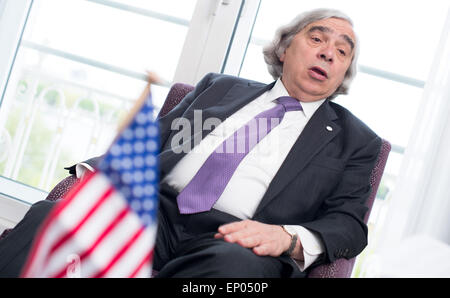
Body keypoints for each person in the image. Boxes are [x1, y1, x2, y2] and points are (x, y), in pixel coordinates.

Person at [0, 8, 381, 278]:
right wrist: (92, 175)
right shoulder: (221, 88)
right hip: (155, 212)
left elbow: (349, 224)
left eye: (342, 51)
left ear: (343, 72)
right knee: (50, 217)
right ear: (284, 48)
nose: (328, 52)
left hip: (240, 242)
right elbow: (156, 140)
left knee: (230, 273)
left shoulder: (356, 142)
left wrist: (286, 237)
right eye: (317, 38)